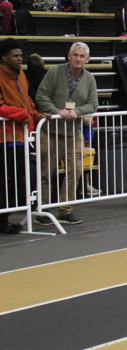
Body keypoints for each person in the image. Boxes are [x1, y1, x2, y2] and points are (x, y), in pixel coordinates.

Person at [34, 42, 99, 225]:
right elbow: (41, 95)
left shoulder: (90, 79)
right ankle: (42, 209)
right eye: (75, 55)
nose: (78, 59)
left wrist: (77, 111)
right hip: (50, 131)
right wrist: (56, 111)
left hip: (74, 133)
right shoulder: (55, 72)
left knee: (75, 171)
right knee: (46, 171)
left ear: (87, 59)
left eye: (82, 56)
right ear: (69, 56)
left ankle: (65, 209)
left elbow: (93, 104)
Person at [0, 38, 44, 234]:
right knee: (6, 181)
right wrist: (24, 115)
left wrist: (35, 113)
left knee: (18, 180)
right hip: (4, 139)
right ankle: (2, 220)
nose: (19, 59)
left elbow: (27, 100)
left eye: (20, 55)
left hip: (21, 137)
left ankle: (5, 218)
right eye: (15, 56)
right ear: (4, 58)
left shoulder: (22, 76)